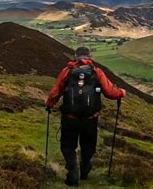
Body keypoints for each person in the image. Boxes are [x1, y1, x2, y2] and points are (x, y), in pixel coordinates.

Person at [45, 46, 126, 186]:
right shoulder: (96, 71)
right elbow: (110, 92)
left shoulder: (68, 71)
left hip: (70, 118)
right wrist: (122, 93)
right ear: (90, 56)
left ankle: (72, 171)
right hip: (90, 119)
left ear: (75, 56)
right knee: (88, 146)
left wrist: (49, 104)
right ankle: (85, 168)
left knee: (67, 146)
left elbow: (56, 91)